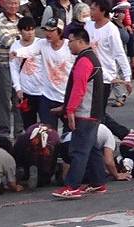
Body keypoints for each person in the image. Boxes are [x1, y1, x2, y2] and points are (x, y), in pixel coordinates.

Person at [52, 28, 106, 199]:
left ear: (80, 41)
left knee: (79, 150)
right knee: (92, 148)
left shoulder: (84, 60)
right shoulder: (90, 57)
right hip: (93, 111)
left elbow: (79, 88)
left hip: (85, 112)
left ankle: (72, 185)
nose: (68, 45)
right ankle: (98, 182)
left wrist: (70, 110)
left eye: (71, 41)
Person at [12, 17, 74, 130]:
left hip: (66, 96)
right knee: (48, 132)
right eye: (46, 30)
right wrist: (17, 53)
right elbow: (29, 51)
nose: (48, 34)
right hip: (47, 96)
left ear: (60, 31)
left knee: (71, 131)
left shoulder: (69, 46)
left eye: (52, 31)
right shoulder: (42, 44)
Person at [85, 0, 132, 139]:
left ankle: (124, 135)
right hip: (88, 76)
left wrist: (127, 77)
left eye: (93, 9)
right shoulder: (88, 26)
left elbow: (119, 54)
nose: (91, 12)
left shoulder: (111, 30)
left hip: (105, 78)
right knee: (93, 112)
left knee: (98, 113)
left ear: (103, 11)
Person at [0, 0, 23, 137]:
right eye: (10, 3)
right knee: (5, 100)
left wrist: (20, 41)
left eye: (16, 3)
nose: (13, 6)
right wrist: (21, 40)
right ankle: (4, 132)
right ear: (4, 4)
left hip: (19, 65)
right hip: (4, 64)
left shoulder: (21, 19)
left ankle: (19, 132)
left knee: (19, 98)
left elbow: (28, 38)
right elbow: (8, 42)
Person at [59, 123, 130, 182]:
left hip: (65, 142)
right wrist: (117, 175)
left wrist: (65, 177)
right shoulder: (110, 140)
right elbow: (108, 162)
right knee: (97, 175)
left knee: (73, 167)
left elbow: (67, 161)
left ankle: (64, 179)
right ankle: (74, 184)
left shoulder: (101, 130)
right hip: (80, 142)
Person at [9, 16, 43, 129]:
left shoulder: (41, 43)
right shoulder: (15, 46)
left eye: (32, 29)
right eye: (27, 30)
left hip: (43, 91)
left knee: (46, 125)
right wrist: (18, 88)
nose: (30, 32)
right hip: (26, 91)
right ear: (20, 30)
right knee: (29, 125)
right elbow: (13, 68)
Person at [14, 123, 60, 189]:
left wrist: (18, 165)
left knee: (27, 158)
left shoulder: (28, 133)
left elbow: (18, 151)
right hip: (44, 149)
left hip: (28, 144)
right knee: (43, 179)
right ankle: (41, 177)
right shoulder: (54, 136)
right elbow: (52, 159)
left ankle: (23, 170)